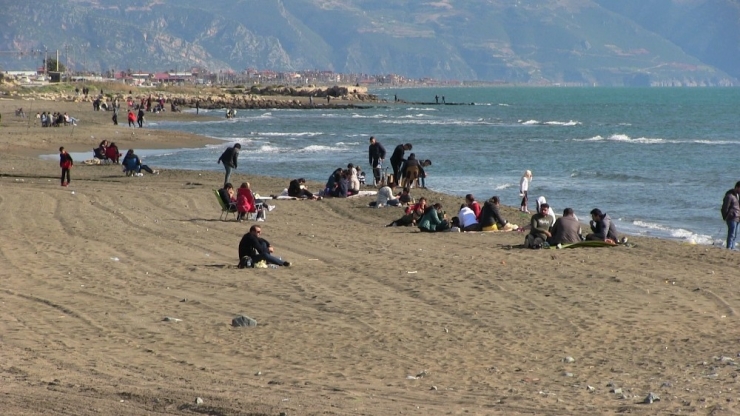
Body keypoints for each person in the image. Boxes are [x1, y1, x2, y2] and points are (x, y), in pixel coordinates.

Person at [721, 181, 740, 249]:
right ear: (737, 187)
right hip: (731, 217)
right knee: (731, 233)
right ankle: (729, 247)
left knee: (734, 234)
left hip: (737, 217)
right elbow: (724, 207)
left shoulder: (737, 196)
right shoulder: (729, 196)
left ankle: (732, 247)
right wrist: (725, 216)